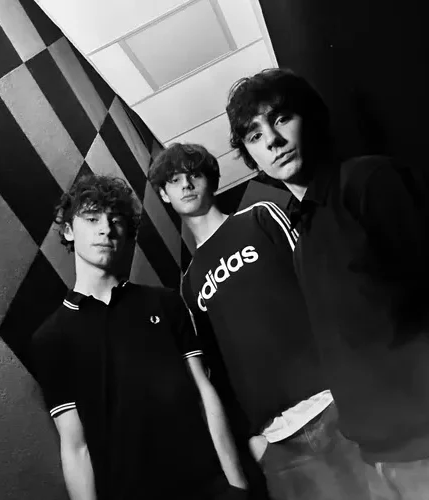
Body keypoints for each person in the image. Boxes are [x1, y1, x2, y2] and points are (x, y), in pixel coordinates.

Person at [226, 67, 429, 500]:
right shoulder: (303, 237)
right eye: (254, 135)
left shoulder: (371, 183)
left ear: (311, 118)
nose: (273, 141)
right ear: (251, 156)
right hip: (378, 463)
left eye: (281, 119)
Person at [147, 143, 370, 500]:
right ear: (164, 194)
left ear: (210, 180)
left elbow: (325, 286)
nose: (186, 185)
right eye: (173, 180)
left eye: (194, 174)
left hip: (338, 405)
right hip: (279, 443)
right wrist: (253, 442)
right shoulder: (188, 286)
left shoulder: (260, 218)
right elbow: (215, 373)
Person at [29, 174, 250, 500]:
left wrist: (237, 485)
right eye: (92, 219)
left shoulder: (165, 302)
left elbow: (204, 393)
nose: (105, 229)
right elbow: (76, 447)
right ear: (68, 230)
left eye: (115, 220)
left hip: (210, 487)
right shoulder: (50, 338)